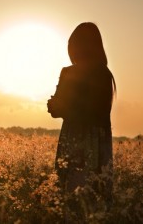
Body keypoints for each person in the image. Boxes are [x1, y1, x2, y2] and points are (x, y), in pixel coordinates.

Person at [47, 22, 116, 210]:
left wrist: (59, 106)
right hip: (97, 141)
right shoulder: (104, 73)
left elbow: (61, 108)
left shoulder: (73, 72)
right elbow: (96, 111)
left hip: (76, 138)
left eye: (72, 44)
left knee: (72, 198)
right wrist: (58, 107)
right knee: (94, 201)